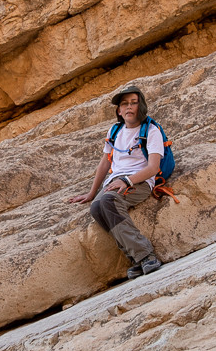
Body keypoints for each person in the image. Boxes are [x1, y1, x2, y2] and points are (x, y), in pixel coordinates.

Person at [66, 85, 164, 279]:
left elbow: (153, 168)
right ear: (119, 110)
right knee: (96, 208)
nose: (129, 107)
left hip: (139, 180)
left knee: (110, 201)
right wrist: (92, 193)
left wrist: (127, 181)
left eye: (133, 103)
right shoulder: (115, 130)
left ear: (141, 106)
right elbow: (104, 162)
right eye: (124, 104)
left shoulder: (151, 131)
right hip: (115, 180)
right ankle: (136, 257)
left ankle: (145, 255)